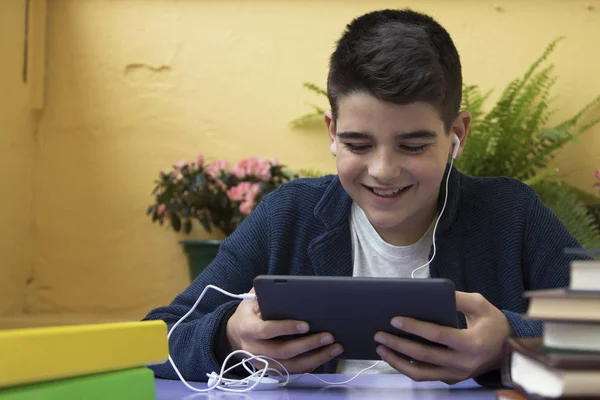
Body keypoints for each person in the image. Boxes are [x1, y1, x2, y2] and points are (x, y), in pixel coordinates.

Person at [143, 8, 584, 387]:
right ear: (332, 133)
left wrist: (507, 345)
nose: (383, 170)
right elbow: (151, 339)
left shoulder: (513, 215)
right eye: (358, 144)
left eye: (413, 146)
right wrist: (228, 338)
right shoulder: (288, 216)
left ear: (457, 134)